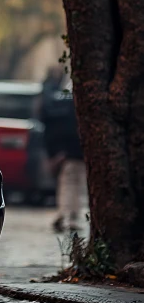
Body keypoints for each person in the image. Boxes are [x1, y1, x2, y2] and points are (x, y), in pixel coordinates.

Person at [41, 87, 87, 233]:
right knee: (76, 186)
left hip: (67, 154)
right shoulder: (76, 112)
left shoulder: (59, 110)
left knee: (68, 185)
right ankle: (71, 217)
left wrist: (56, 153)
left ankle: (64, 214)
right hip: (76, 153)